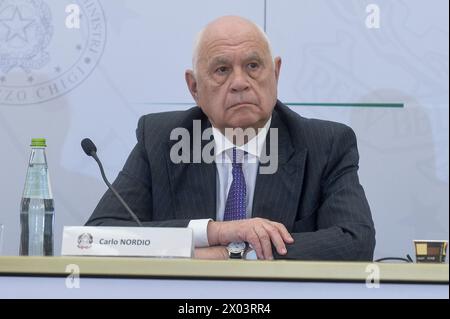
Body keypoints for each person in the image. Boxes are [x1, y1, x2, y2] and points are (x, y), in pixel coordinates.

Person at [86, 16, 376, 261]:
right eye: (222, 70)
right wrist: (216, 233)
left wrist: (238, 254)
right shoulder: (163, 140)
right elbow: (98, 236)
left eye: (253, 66)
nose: (239, 83)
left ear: (275, 73)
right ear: (194, 87)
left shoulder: (325, 145)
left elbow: (355, 240)